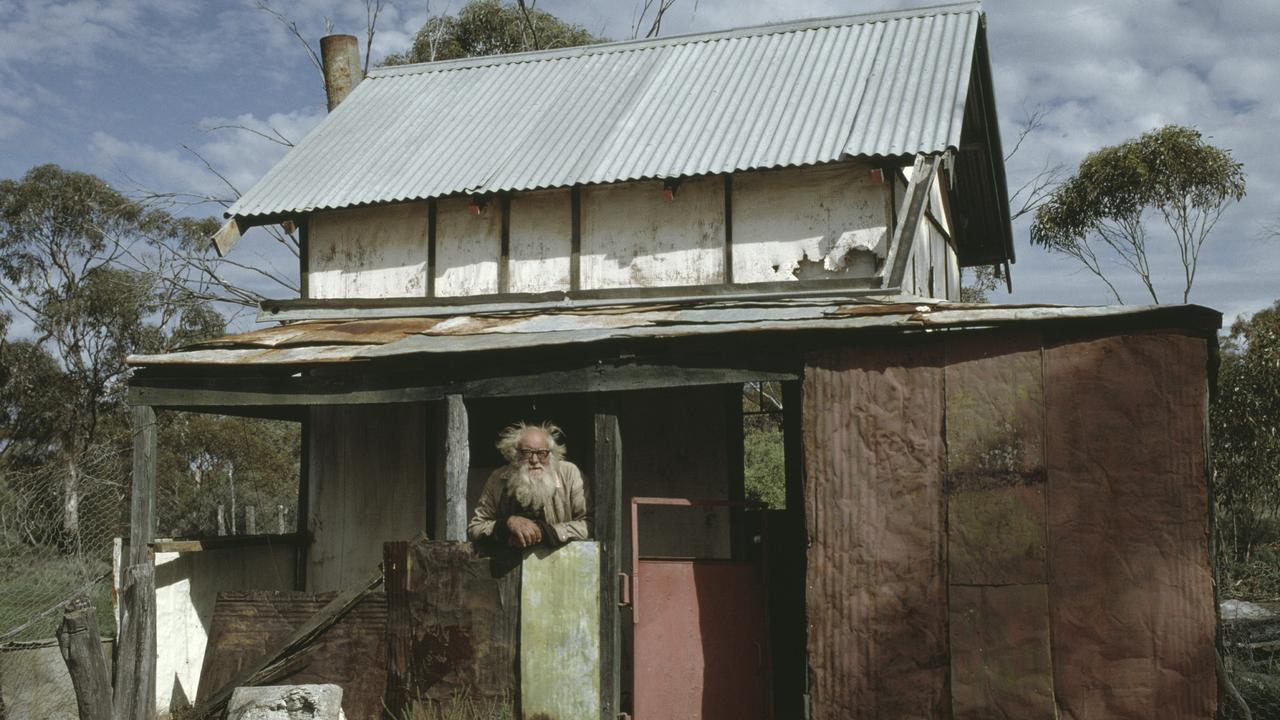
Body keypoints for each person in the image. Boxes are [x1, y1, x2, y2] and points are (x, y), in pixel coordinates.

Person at [467, 421, 590, 548]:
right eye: (526, 452)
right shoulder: (497, 478)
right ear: (514, 455)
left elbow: (589, 524)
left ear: (551, 454)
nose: (534, 460)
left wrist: (543, 532)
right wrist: (508, 524)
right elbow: (475, 528)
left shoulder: (569, 474)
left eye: (542, 453)